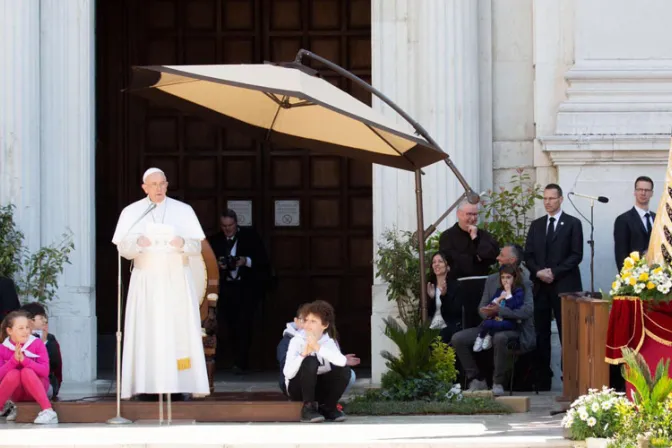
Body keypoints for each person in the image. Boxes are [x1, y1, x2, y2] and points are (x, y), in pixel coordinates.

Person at [111, 167, 209, 399]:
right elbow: (123, 248)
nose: (158, 188)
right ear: (144, 187)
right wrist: (137, 242)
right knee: (147, 333)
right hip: (146, 282)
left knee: (178, 333)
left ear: (167, 184)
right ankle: (145, 385)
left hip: (176, 281)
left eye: (162, 184)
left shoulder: (183, 211)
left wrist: (182, 242)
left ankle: (180, 383)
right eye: (153, 185)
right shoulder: (133, 212)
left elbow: (197, 247)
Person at [451, 243, 535, 396]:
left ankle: (498, 383)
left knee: (500, 337)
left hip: (514, 328)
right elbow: (481, 307)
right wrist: (489, 313)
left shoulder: (524, 281)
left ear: (512, 260)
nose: (497, 258)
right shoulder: (491, 280)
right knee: (458, 338)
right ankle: (476, 379)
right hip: (489, 325)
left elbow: (528, 310)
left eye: (501, 255)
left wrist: (501, 311)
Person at [524, 183, 583, 390]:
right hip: (540, 287)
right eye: (545, 198)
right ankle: (542, 380)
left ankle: (569, 380)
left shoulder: (573, 223)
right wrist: (539, 272)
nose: (548, 202)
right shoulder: (537, 224)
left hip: (564, 287)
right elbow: (528, 254)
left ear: (560, 199)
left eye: (552, 198)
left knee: (567, 332)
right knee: (541, 333)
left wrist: (554, 273)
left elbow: (576, 255)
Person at [208, 209, 270, 374]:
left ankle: (242, 362)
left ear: (236, 223)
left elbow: (263, 261)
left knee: (244, 325)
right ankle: (222, 361)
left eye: (230, 225)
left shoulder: (250, 238)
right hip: (224, 289)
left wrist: (245, 261)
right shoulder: (214, 240)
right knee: (224, 326)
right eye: (224, 226)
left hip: (245, 289)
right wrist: (219, 266)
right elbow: (207, 263)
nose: (227, 229)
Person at [283, 300, 351, 423]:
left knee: (344, 370)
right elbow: (288, 373)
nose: (308, 325)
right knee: (310, 361)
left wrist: (317, 347)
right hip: (298, 389)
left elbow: (342, 361)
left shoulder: (328, 341)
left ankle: (329, 407)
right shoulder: (296, 341)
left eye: (313, 321)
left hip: (319, 388)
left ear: (324, 325)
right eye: (306, 320)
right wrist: (303, 355)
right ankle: (308, 408)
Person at [0, 311, 58, 424]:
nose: (26, 331)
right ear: (10, 331)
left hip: (39, 388)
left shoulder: (37, 343)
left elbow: (45, 371)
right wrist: (13, 361)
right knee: (14, 373)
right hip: (17, 394)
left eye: (27, 327)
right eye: (21, 328)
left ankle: (48, 411)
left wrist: (25, 361)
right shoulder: (2, 348)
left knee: (26, 371)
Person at [439, 200, 499, 279]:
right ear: (459, 214)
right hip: (457, 284)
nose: (473, 218)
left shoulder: (483, 235)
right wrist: (477, 258)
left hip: (482, 283)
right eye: (469, 214)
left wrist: (475, 238)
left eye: (475, 214)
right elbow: (451, 261)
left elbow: (492, 257)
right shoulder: (447, 236)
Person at [473, 264, 525, 352]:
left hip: (510, 321)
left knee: (488, 324)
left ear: (514, 278)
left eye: (508, 277)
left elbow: (513, 306)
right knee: (486, 322)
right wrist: (498, 299)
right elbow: (493, 303)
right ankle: (482, 337)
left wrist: (508, 293)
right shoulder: (499, 290)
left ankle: (487, 335)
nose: (505, 280)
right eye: (503, 277)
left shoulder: (518, 291)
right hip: (497, 318)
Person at [19, 303, 62, 399]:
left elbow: (54, 365)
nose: (45, 321)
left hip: (45, 384)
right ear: (29, 320)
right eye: (41, 318)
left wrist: (43, 344)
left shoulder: (50, 339)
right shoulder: (16, 338)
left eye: (45, 318)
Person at [614, 176, 656, 271]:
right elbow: (621, 254)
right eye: (640, 189)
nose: (643, 193)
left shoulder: (657, 219)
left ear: (651, 193)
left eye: (647, 190)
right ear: (634, 192)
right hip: (634, 277)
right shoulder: (623, 220)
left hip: (658, 274)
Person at [426, 252, 463, 344]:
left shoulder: (456, 286)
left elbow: (454, 313)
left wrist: (444, 296)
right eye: (434, 262)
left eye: (440, 261)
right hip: (433, 325)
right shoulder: (430, 285)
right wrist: (432, 298)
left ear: (448, 267)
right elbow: (428, 314)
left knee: (440, 335)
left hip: (449, 325)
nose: (436, 264)